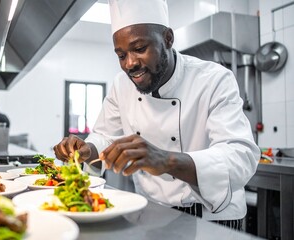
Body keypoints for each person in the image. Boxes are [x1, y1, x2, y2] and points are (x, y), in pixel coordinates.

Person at [53, 0, 260, 230]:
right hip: (152, 211)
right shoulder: (121, 85)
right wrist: (87, 149)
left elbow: (241, 157)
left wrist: (166, 160)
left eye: (140, 49)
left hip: (214, 216)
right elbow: (104, 136)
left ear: (168, 39)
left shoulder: (214, 79)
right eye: (121, 55)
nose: (130, 63)